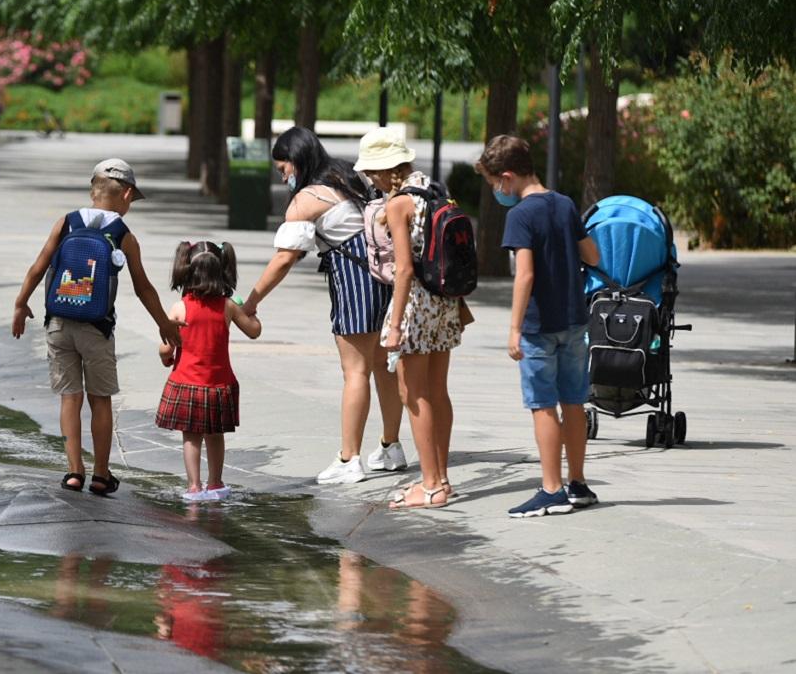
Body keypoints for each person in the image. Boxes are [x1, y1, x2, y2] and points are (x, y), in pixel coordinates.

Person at [241, 127, 404, 486]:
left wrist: (249, 302)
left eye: (283, 169)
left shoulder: (308, 198)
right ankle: (391, 447)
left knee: (355, 372)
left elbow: (285, 259)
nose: (282, 176)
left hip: (354, 282)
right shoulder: (348, 176)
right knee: (382, 365)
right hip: (384, 278)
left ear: (296, 162)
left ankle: (350, 458)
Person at [12, 159, 182, 496]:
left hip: (58, 322)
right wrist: (164, 323)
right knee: (100, 399)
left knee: (69, 398)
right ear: (127, 193)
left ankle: (74, 471)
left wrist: (20, 304)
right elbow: (143, 287)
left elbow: (38, 266)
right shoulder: (122, 234)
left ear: (93, 190)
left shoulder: (67, 222)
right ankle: (101, 474)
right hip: (97, 328)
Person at [477, 134, 601, 518]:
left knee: (543, 405)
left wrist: (514, 329)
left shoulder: (519, 215)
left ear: (508, 176)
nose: (497, 191)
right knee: (574, 402)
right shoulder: (563, 204)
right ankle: (577, 483)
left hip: (539, 325)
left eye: (495, 183)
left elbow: (524, 275)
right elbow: (593, 254)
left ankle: (551, 490)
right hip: (573, 320)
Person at [373, 131, 462, 509]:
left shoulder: (400, 204)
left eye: (372, 173)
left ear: (386, 170)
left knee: (413, 394)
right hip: (445, 303)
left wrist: (394, 324)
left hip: (416, 306)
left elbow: (405, 269)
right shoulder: (436, 190)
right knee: (437, 391)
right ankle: (441, 478)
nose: (370, 180)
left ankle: (428, 486)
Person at [157, 241, 261, 501]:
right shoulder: (228, 306)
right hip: (218, 383)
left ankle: (194, 487)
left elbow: (165, 349)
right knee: (215, 436)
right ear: (222, 271)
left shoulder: (180, 307)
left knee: (191, 438)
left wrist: (167, 357)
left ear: (187, 271)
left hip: (186, 382)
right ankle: (215, 483)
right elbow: (254, 331)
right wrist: (253, 312)